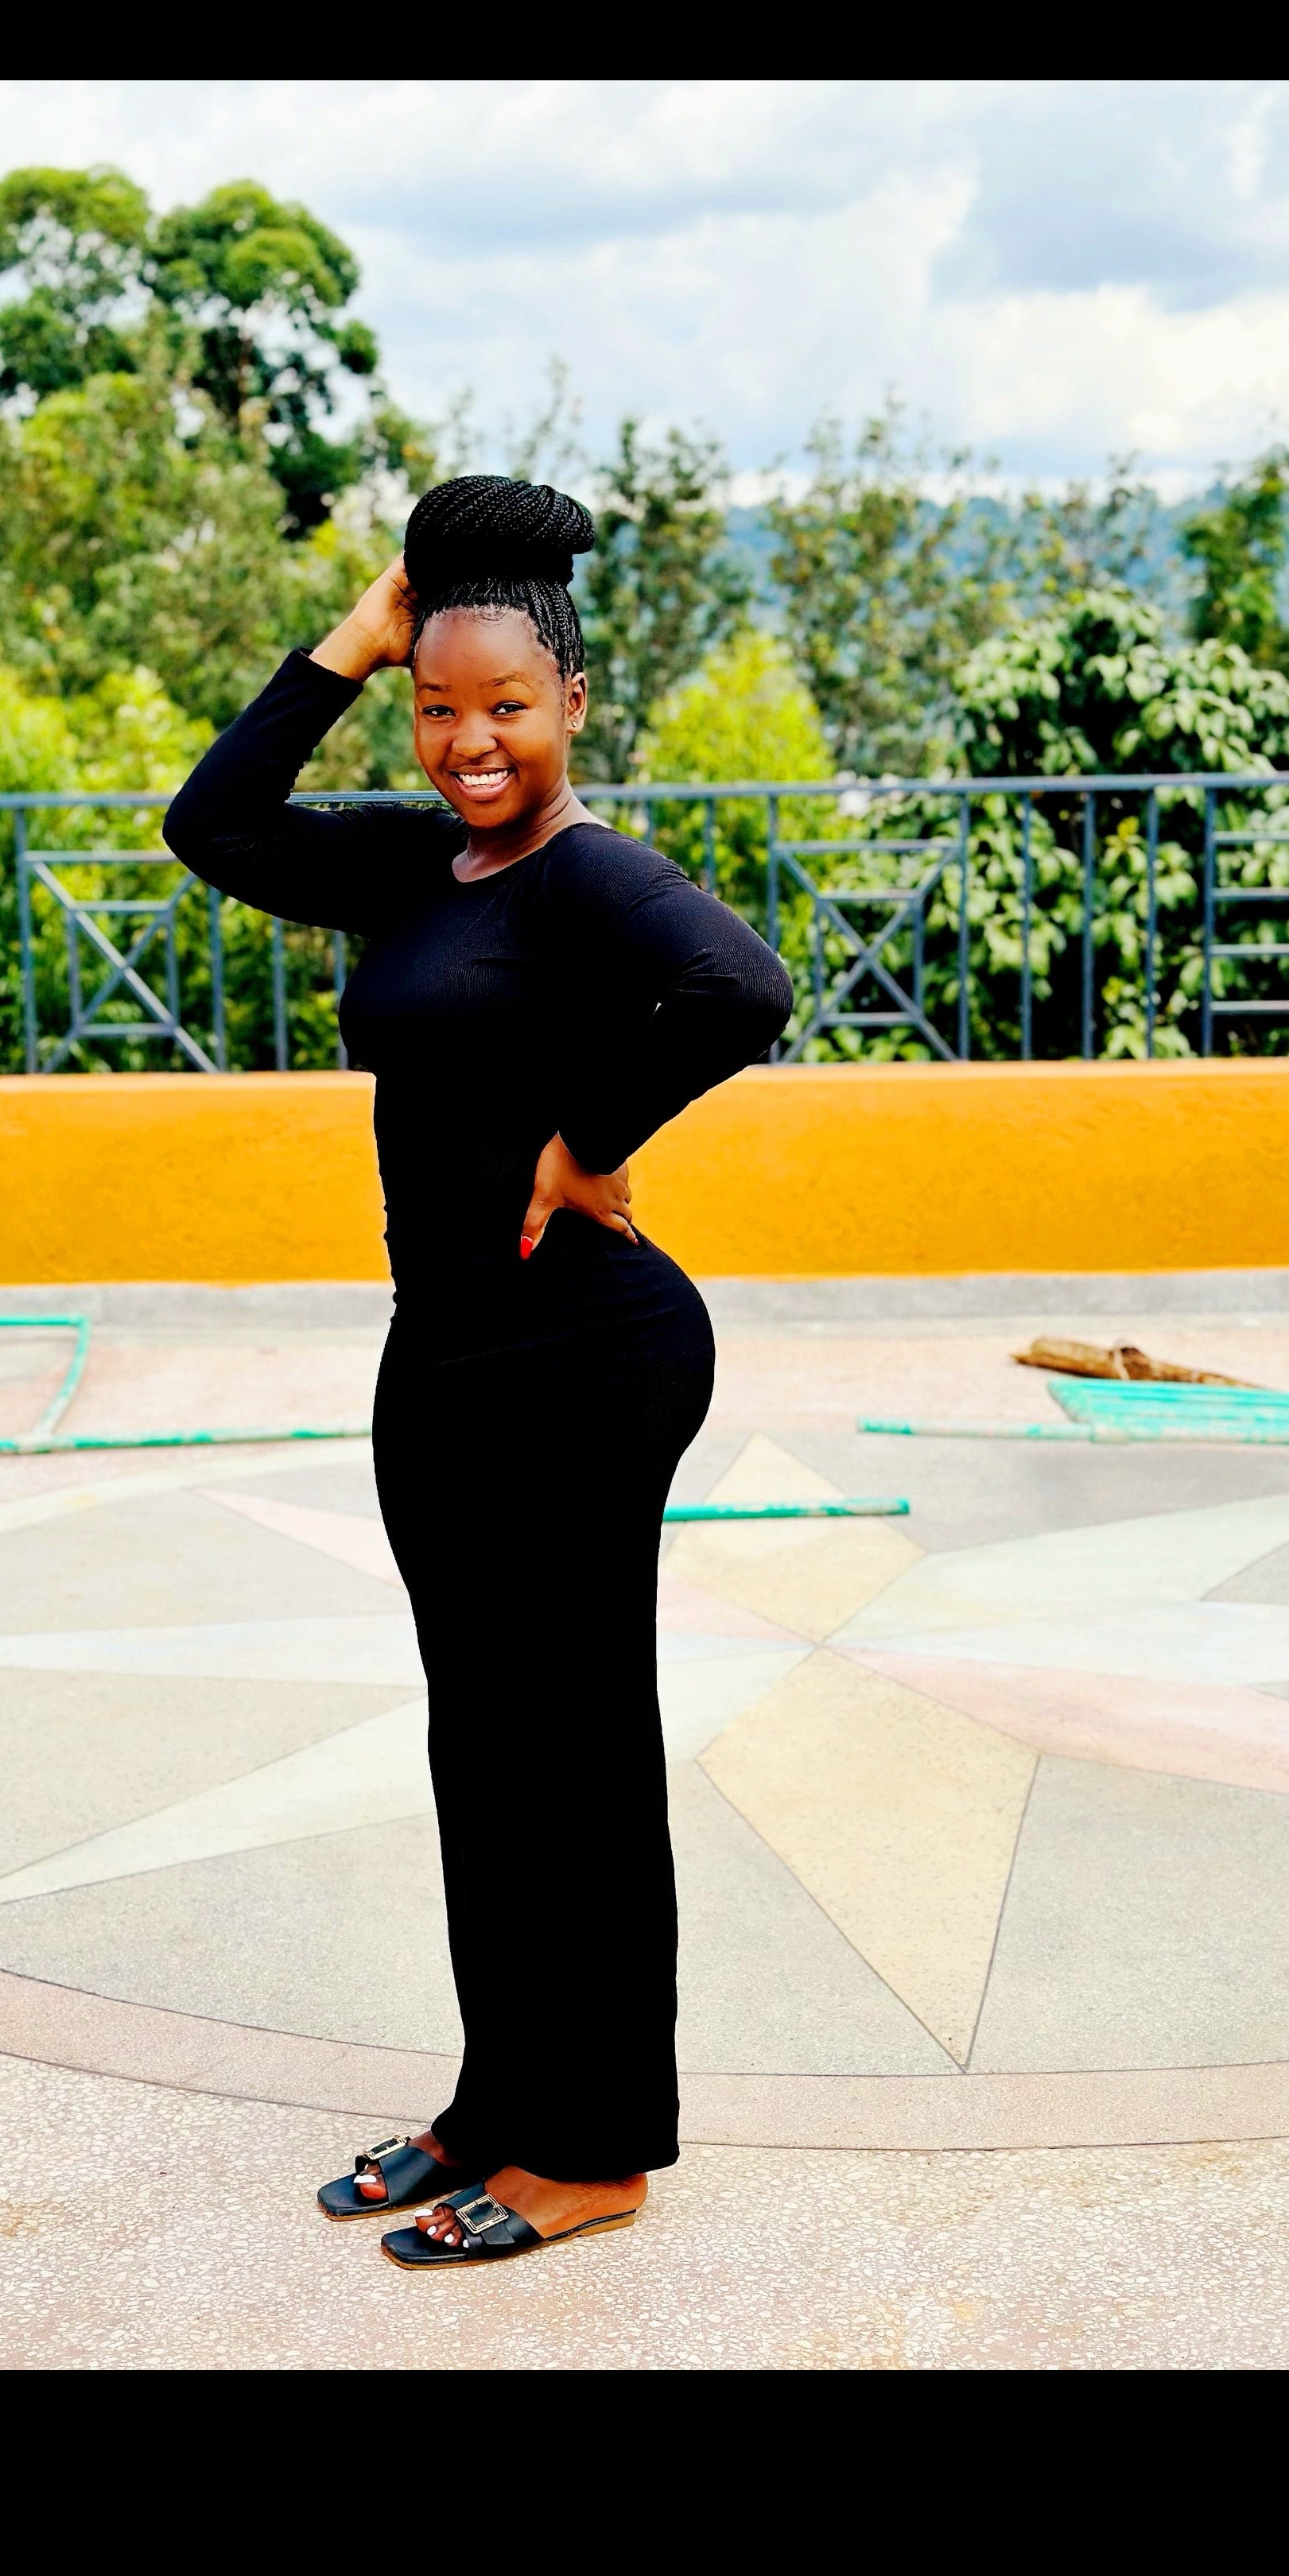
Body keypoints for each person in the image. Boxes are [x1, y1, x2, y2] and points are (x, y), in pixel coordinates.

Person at [164, 475, 791, 2268]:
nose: (471, 743)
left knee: (574, 1752)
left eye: (506, 704)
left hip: (586, 1351)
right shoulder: (409, 861)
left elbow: (743, 991)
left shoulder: (596, 876)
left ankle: (594, 2147)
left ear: (573, 701)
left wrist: (587, 1139)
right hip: (441, 1350)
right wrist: (353, 643)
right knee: (482, 1747)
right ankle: (501, 2098)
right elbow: (215, 824)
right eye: (439, 708)